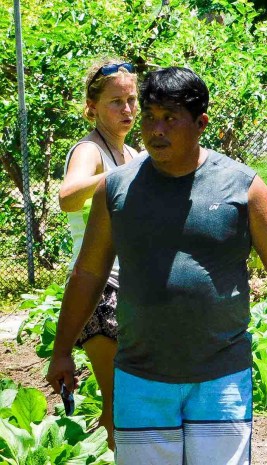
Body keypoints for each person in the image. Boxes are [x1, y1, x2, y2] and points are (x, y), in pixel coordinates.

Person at [46, 66, 267, 465]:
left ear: (201, 123)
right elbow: (88, 273)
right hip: (140, 378)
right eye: (150, 117)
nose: (156, 130)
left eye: (170, 118)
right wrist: (62, 350)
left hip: (221, 379)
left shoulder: (242, 185)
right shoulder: (116, 188)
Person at [57, 58, 138, 449]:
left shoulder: (134, 153)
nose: (127, 109)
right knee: (118, 407)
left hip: (135, 289)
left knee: (132, 404)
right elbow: (68, 197)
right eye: (115, 102)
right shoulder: (90, 150)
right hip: (100, 290)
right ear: (92, 107)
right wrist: (121, 175)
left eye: (132, 100)